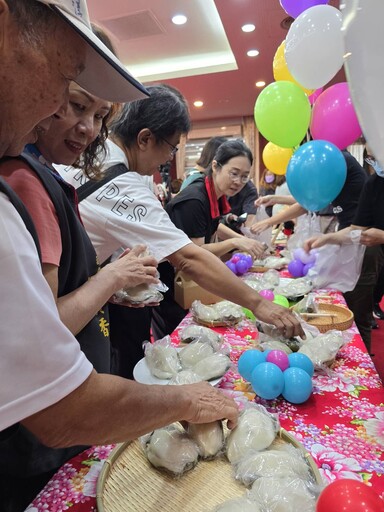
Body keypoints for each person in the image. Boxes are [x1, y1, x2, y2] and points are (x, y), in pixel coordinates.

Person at [0, 2, 238, 509]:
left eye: (97, 114)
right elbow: (60, 402)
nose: (74, 120)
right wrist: (185, 399)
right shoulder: (23, 184)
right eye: (68, 89)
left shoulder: (42, 177)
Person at [59, 85, 304, 377]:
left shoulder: (89, 154)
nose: (168, 158)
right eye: (172, 146)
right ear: (145, 138)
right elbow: (190, 257)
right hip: (62, 305)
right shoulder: (126, 185)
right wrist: (258, 305)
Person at [152, 139, 282, 338]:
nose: (238, 181)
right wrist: (235, 242)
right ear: (215, 166)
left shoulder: (214, 193)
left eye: (244, 176)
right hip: (171, 286)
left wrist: (243, 240)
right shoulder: (195, 199)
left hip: (188, 280)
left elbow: (214, 226)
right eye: (234, 173)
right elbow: (197, 251)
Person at [256, 150, 378, 352]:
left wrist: (328, 238)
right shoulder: (334, 170)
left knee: (357, 314)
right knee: (345, 307)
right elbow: (307, 202)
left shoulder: (338, 164)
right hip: (349, 239)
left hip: (364, 245)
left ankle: (363, 367)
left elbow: (362, 229)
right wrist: (276, 203)